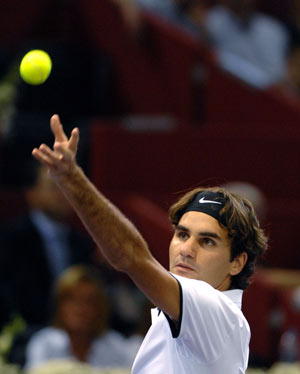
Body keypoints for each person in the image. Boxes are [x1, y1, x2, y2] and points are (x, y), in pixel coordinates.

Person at [32, 114, 268, 373]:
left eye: (208, 241)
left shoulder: (215, 310)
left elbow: (130, 255)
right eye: (182, 234)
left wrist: (72, 180)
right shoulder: (190, 317)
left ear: (237, 262)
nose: (186, 250)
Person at [0, 160, 96, 331]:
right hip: (26, 333)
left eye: (66, 186)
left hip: (79, 336)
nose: (62, 193)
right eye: (53, 186)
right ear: (31, 193)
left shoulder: (83, 243)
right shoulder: (10, 240)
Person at [25, 264, 139, 370]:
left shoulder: (114, 345)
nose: (80, 308)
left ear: (100, 308)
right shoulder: (44, 344)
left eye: (88, 301)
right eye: (72, 299)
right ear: (59, 305)